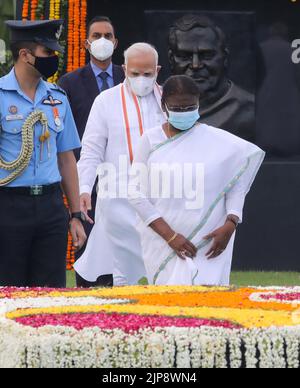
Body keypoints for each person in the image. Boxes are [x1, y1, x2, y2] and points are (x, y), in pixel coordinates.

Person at [128, 75, 265, 286]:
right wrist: (171, 237)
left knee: (209, 308)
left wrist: (231, 222)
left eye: (189, 107)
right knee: (168, 309)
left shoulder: (219, 141)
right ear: (163, 106)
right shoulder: (149, 140)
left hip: (210, 243)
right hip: (162, 243)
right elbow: (136, 193)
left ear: (198, 103)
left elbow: (236, 181)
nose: (184, 113)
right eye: (177, 108)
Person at [0, 20, 86, 287]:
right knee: (8, 290)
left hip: (50, 207)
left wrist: (75, 215)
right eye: (47, 53)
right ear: (25, 55)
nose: (54, 59)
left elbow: (66, 158)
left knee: (51, 292)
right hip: (9, 205)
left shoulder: (57, 97)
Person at [75, 43, 165, 286]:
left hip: (160, 201)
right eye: (135, 73)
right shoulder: (106, 101)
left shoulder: (167, 100)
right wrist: (84, 187)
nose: (141, 79)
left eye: (148, 74)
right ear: (124, 69)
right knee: (118, 273)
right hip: (117, 200)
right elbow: (91, 149)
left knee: (161, 271)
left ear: (157, 70)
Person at [59, 16, 125, 288]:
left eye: (107, 36)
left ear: (115, 42)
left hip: (124, 180)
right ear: (86, 43)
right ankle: (86, 301)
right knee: (87, 248)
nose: (102, 41)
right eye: (96, 35)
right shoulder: (70, 83)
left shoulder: (129, 77)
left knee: (121, 249)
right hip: (87, 182)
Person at [168, 15, 255, 143]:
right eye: (184, 56)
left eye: (207, 55)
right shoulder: (155, 108)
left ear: (224, 58)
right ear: (171, 60)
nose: (195, 65)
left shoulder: (250, 110)